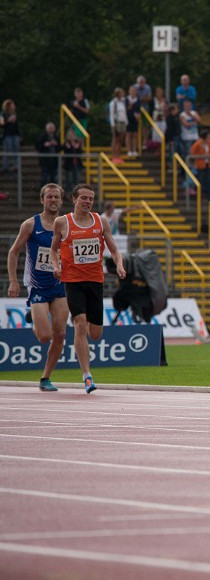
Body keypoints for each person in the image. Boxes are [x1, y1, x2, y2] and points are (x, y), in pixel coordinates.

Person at [49, 183, 127, 393]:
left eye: (90, 199)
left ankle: (86, 370)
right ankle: (87, 375)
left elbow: (113, 249)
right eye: (83, 198)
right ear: (74, 199)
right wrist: (56, 266)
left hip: (95, 282)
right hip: (73, 282)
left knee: (95, 334)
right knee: (79, 324)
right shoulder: (62, 222)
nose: (87, 202)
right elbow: (53, 249)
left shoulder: (100, 222)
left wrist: (119, 264)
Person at [7, 184, 69, 391]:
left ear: (61, 201)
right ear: (42, 200)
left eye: (57, 197)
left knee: (60, 334)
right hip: (37, 287)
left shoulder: (68, 225)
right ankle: (33, 317)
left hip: (60, 286)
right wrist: (14, 281)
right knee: (45, 337)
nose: (53, 200)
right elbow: (13, 252)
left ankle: (45, 378)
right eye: (49, 197)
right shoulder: (30, 225)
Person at [35, 122, 61, 187]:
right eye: (49, 128)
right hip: (45, 161)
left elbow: (60, 148)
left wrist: (56, 144)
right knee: (44, 178)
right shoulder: (42, 137)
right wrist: (45, 145)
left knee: (54, 179)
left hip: (54, 161)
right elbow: (37, 146)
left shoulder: (56, 137)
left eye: (52, 128)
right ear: (46, 129)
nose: (51, 129)